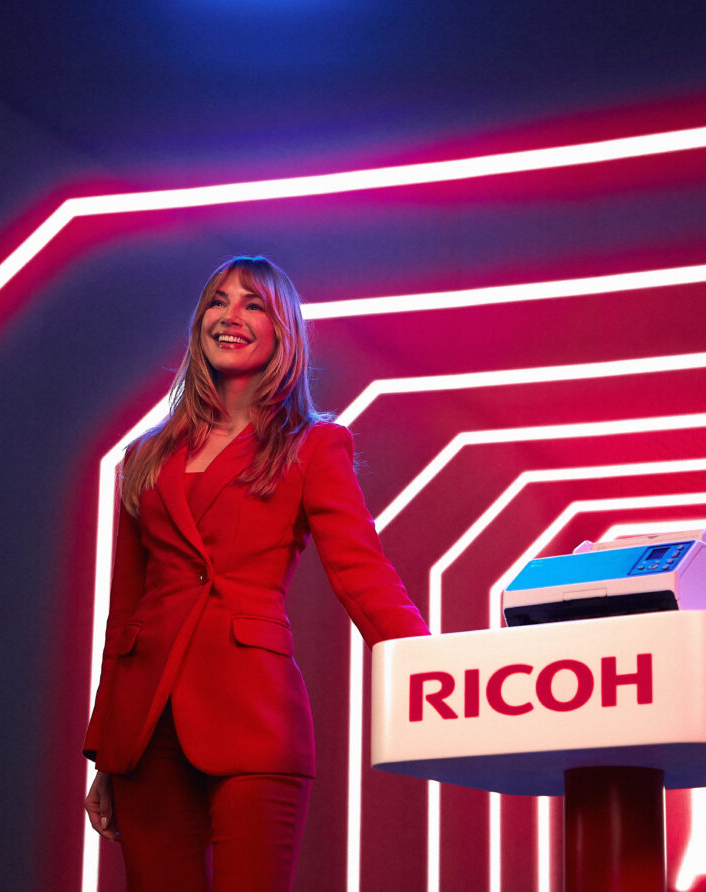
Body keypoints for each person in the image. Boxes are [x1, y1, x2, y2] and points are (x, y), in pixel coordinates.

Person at [82, 255, 430, 891]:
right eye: (218, 301)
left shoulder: (313, 444)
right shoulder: (144, 455)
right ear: (200, 323)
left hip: (254, 712)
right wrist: (108, 747)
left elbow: (361, 570)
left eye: (253, 304)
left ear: (283, 331)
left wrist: (430, 670)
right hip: (144, 727)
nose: (231, 316)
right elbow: (124, 607)